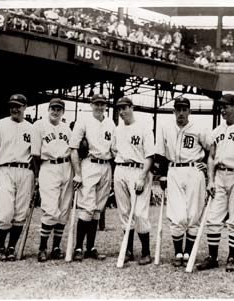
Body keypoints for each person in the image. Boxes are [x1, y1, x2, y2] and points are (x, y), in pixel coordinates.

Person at [196, 94, 234, 272]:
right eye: (221, 106)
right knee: (213, 218)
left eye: (226, 106)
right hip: (220, 175)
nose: (222, 110)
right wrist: (210, 180)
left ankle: (231, 258)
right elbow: (211, 157)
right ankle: (213, 257)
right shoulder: (217, 131)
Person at [155, 97, 209, 267]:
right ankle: (178, 251)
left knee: (194, 214)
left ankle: (188, 252)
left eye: (184, 109)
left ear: (189, 111)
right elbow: (161, 153)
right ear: (174, 111)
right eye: (178, 109)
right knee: (176, 214)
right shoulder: (165, 127)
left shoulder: (199, 128)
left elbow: (211, 148)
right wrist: (162, 175)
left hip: (194, 170)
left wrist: (206, 163)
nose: (181, 113)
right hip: (173, 171)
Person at [0, 94, 35, 261]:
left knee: (21, 212)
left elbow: (36, 155)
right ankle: (0, 248)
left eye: (18, 105)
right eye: (12, 105)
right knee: (4, 211)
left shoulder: (32, 128)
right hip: (5, 169)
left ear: (25, 106)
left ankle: (12, 247)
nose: (14, 108)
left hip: (26, 171)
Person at [69, 94, 116, 261]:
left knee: (97, 209)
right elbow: (73, 148)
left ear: (106, 105)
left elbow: (115, 148)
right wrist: (78, 174)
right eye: (96, 103)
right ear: (91, 104)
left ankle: (91, 247)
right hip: (89, 163)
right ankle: (78, 247)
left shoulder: (110, 122)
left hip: (106, 165)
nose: (99, 106)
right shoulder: (83, 120)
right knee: (87, 207)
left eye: (102, 104)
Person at [113, 97, 155, 265]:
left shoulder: (144, 127)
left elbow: (150, 156)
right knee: (124, 211)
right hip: (120, 168)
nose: (122, 112)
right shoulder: (118, 129)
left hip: (139, 169)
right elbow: (113, 149)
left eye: (125, 108)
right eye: (120, 109)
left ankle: (146, 252)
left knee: (139, 212)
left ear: (132, 107)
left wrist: (143, 176)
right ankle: (128, 250)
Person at [31, 98, 73, 262]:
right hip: (48, 166)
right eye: (53, 108)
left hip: (66, 166)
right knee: (50, 208)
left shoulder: (67, 128)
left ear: (63, 112)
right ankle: (42, 248)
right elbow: (35, 154)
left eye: (59, 109)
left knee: (63, 210)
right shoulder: (38, 125)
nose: (55, 112)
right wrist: (36, 175)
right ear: (48, 109)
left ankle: (56, 247)